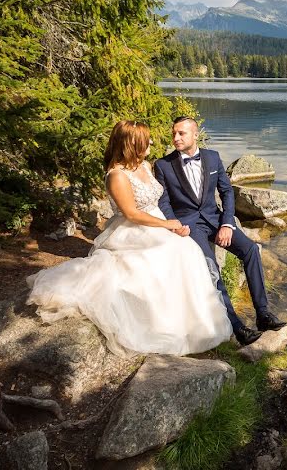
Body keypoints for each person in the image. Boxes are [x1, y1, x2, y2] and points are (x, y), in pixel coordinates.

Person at [26, 120, 232, 356]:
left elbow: (160, 199)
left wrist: (173, 224)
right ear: (132, 144)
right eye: (146, 140)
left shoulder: (144, 165)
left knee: (189, 250)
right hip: (134, 229)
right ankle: (167, 325)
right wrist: (168, 225)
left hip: (156, 221)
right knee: (172, 253)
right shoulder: (116, 176)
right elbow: (132, 214)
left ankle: (198, 323)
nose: (152, 143)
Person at [153, 116, 287, 346]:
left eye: (181, 133)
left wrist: (227, 224)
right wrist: (174, 224)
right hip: (188, 226)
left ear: (195, 135)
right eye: (174, 133)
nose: (176, 137)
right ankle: (237, 328)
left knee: (251, 250)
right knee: (211, 268)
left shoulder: (212, 157)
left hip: (216, 220)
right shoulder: (163, 165)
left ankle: (263, 314)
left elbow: (226, 192)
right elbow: (163, 202)